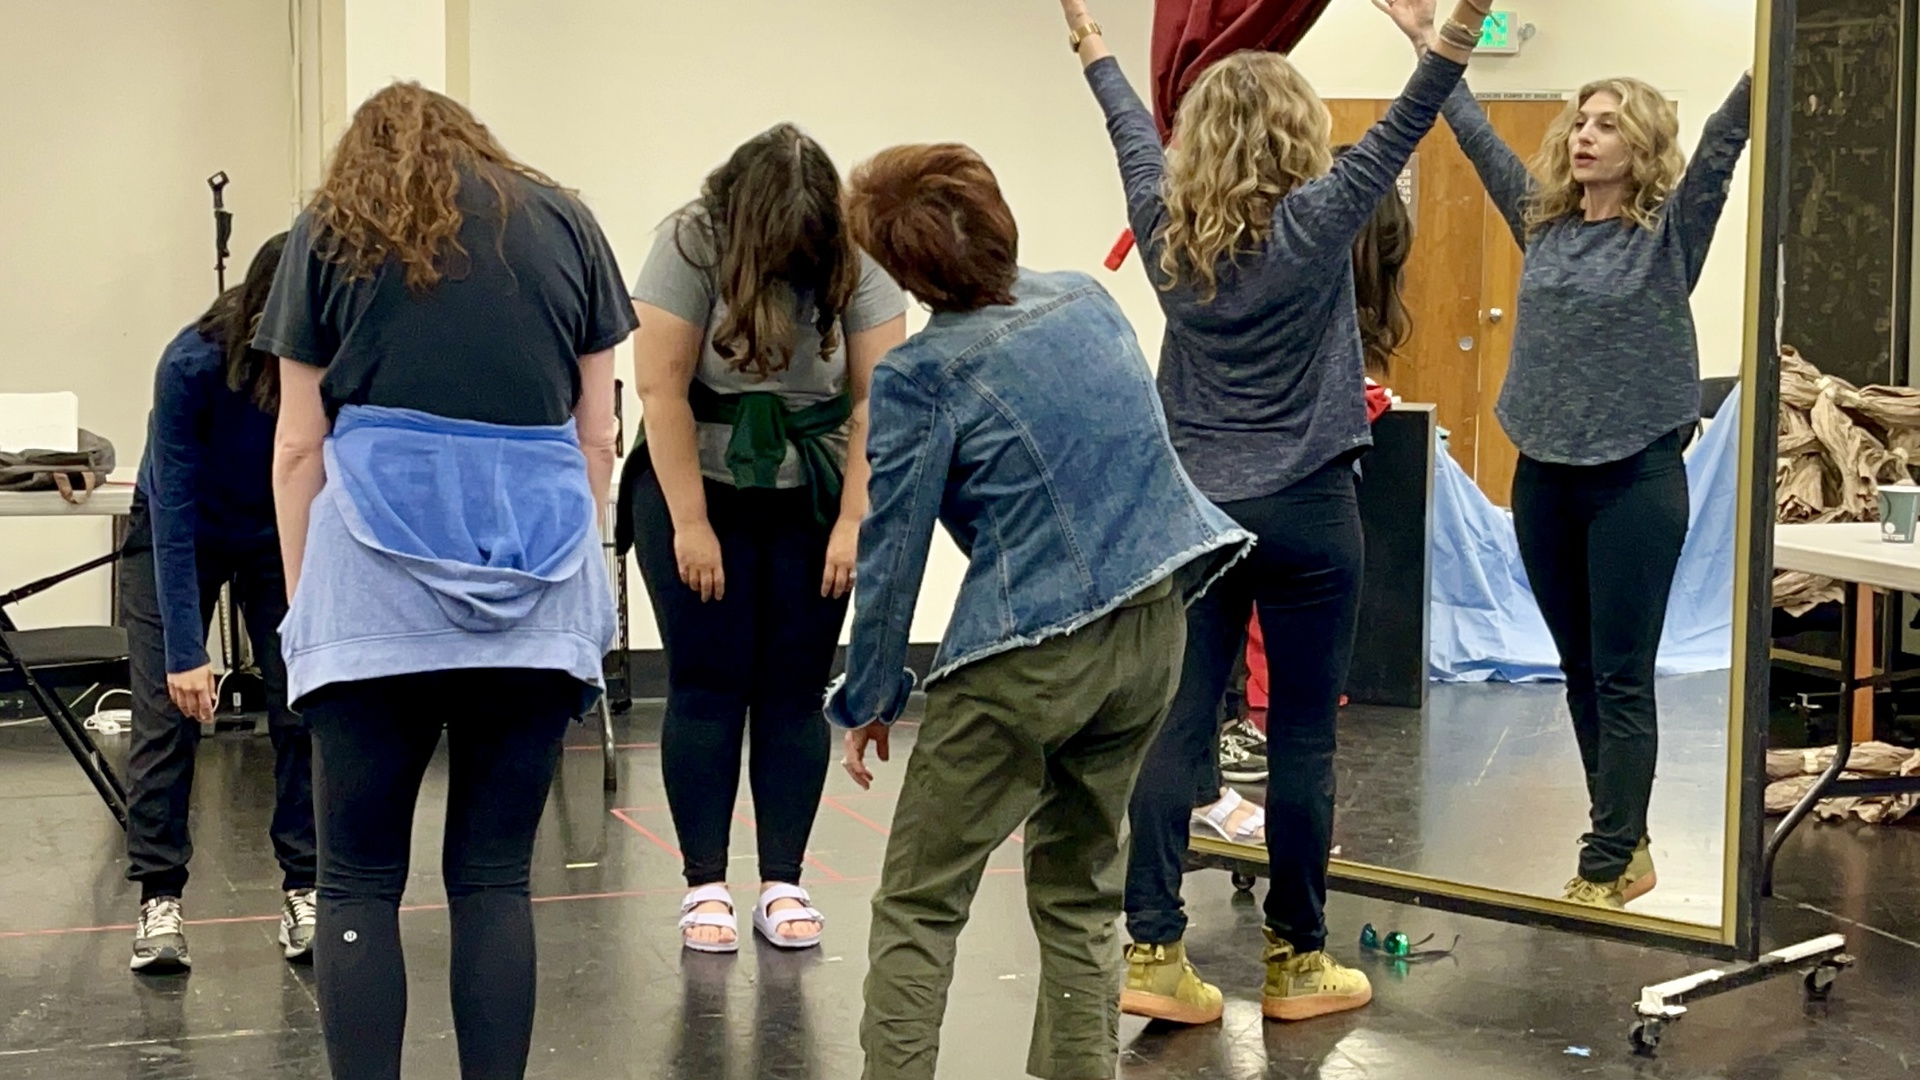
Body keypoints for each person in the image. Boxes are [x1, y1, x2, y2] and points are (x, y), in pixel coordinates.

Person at [1059, 0, 1487, 1026]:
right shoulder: (1321, 216)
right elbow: (1417, 104)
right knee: (1302, 739)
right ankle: (1297, 961)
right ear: (1299, 135)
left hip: (1195, 515)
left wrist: (1093, 44)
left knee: (1173, 727)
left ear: (1194, 141)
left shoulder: (1165, 228)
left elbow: (1125, 118)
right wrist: (1455, 21)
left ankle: (1153, 953)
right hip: (1308, 511)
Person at [833, 141, 1250, 1080]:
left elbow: (890, 554)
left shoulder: (918, 375)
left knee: (920, 903)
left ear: (902, 266)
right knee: (1081, 893)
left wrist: (868, 698)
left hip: (1028, 659)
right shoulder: (1087, 300)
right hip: (1154, 632)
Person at [255, 82, 632, 1080]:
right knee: (495, 879)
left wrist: (307, 605)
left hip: (373, 593)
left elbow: (300, 444)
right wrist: (558, 555)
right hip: (539, 587)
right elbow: (597, 436)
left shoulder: (329, 228)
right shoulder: (567, 222)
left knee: (359, 885)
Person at [1439, 64, 1753, 909]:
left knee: (1621, 674)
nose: (1585, 134)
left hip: (1635, 481)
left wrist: (1772, 56)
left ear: (1642, 144)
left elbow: (1726, 141)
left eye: (1607, 124)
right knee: (1577, 670)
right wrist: (1434, 44)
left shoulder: (1671, 232)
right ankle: (1627, 840)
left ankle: (1608, 856)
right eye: (1581, 120)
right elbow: (1470, 133)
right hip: (1545, 475)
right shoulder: (1545, 223)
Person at [617, 124, 906, 952]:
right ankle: (703, 883)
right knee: (707, 684)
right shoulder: (689, 240)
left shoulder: (855, 247)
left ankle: (784, 880)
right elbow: (661, 389)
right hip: (694, 482)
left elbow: (872, 401)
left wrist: (855, 521)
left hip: (809, 491)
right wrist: (691, 526)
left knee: (791, 686)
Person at [122, 231, 315, 975]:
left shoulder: (318, 361)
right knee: (166, 717)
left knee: (302, 703)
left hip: (274, 531)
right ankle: (159, 899)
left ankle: (305, 886)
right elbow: (171, 516)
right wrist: (186, 654)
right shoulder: (190, 364)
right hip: (183, 530)